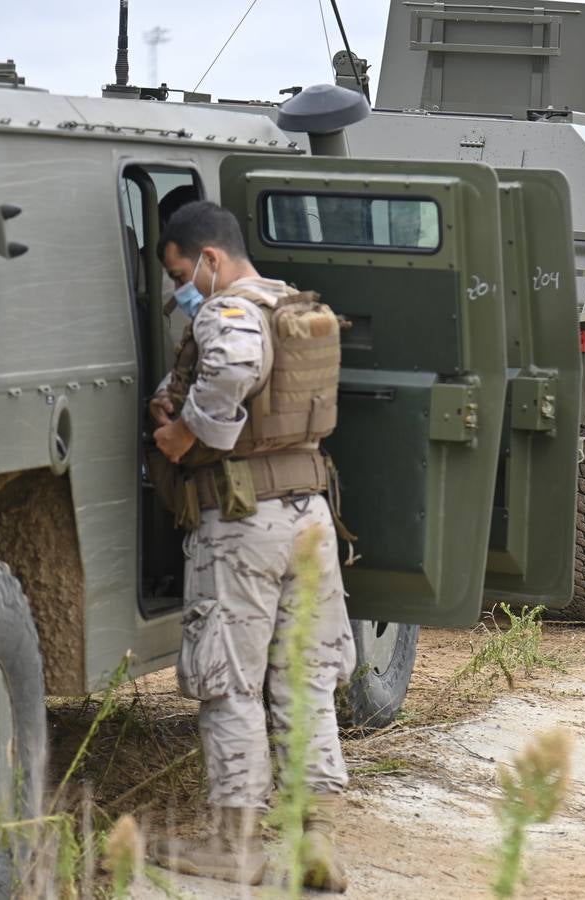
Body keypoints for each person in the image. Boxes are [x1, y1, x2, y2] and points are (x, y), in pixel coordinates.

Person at [145, 201, 354, 890]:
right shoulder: (289, 305)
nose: (182, 287)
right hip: (309, 516)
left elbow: (233, 371)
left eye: (181, 271)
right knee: (305, 677)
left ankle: (234, 848)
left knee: (228, 681)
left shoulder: (227, 308)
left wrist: (188, 434)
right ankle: (315, 842)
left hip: (243, 523)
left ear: (208, 258)